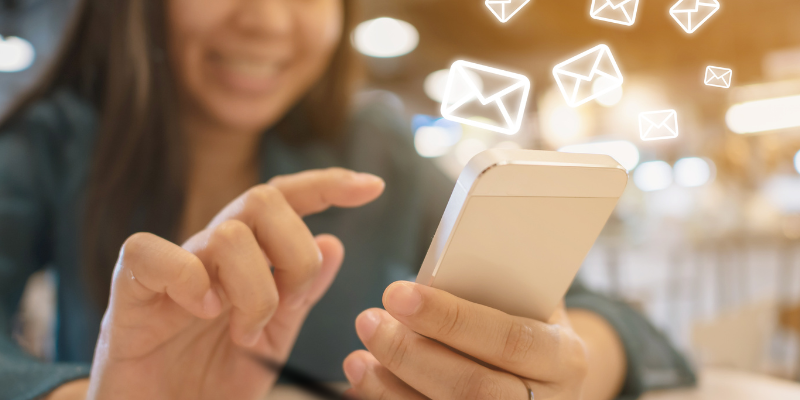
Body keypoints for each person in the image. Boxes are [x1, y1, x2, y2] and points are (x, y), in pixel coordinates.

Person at [0, 0, 696, 399]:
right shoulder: (57, 138)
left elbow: (629, 333)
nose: (270, 20)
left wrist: (565, 371)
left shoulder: (375, 144)